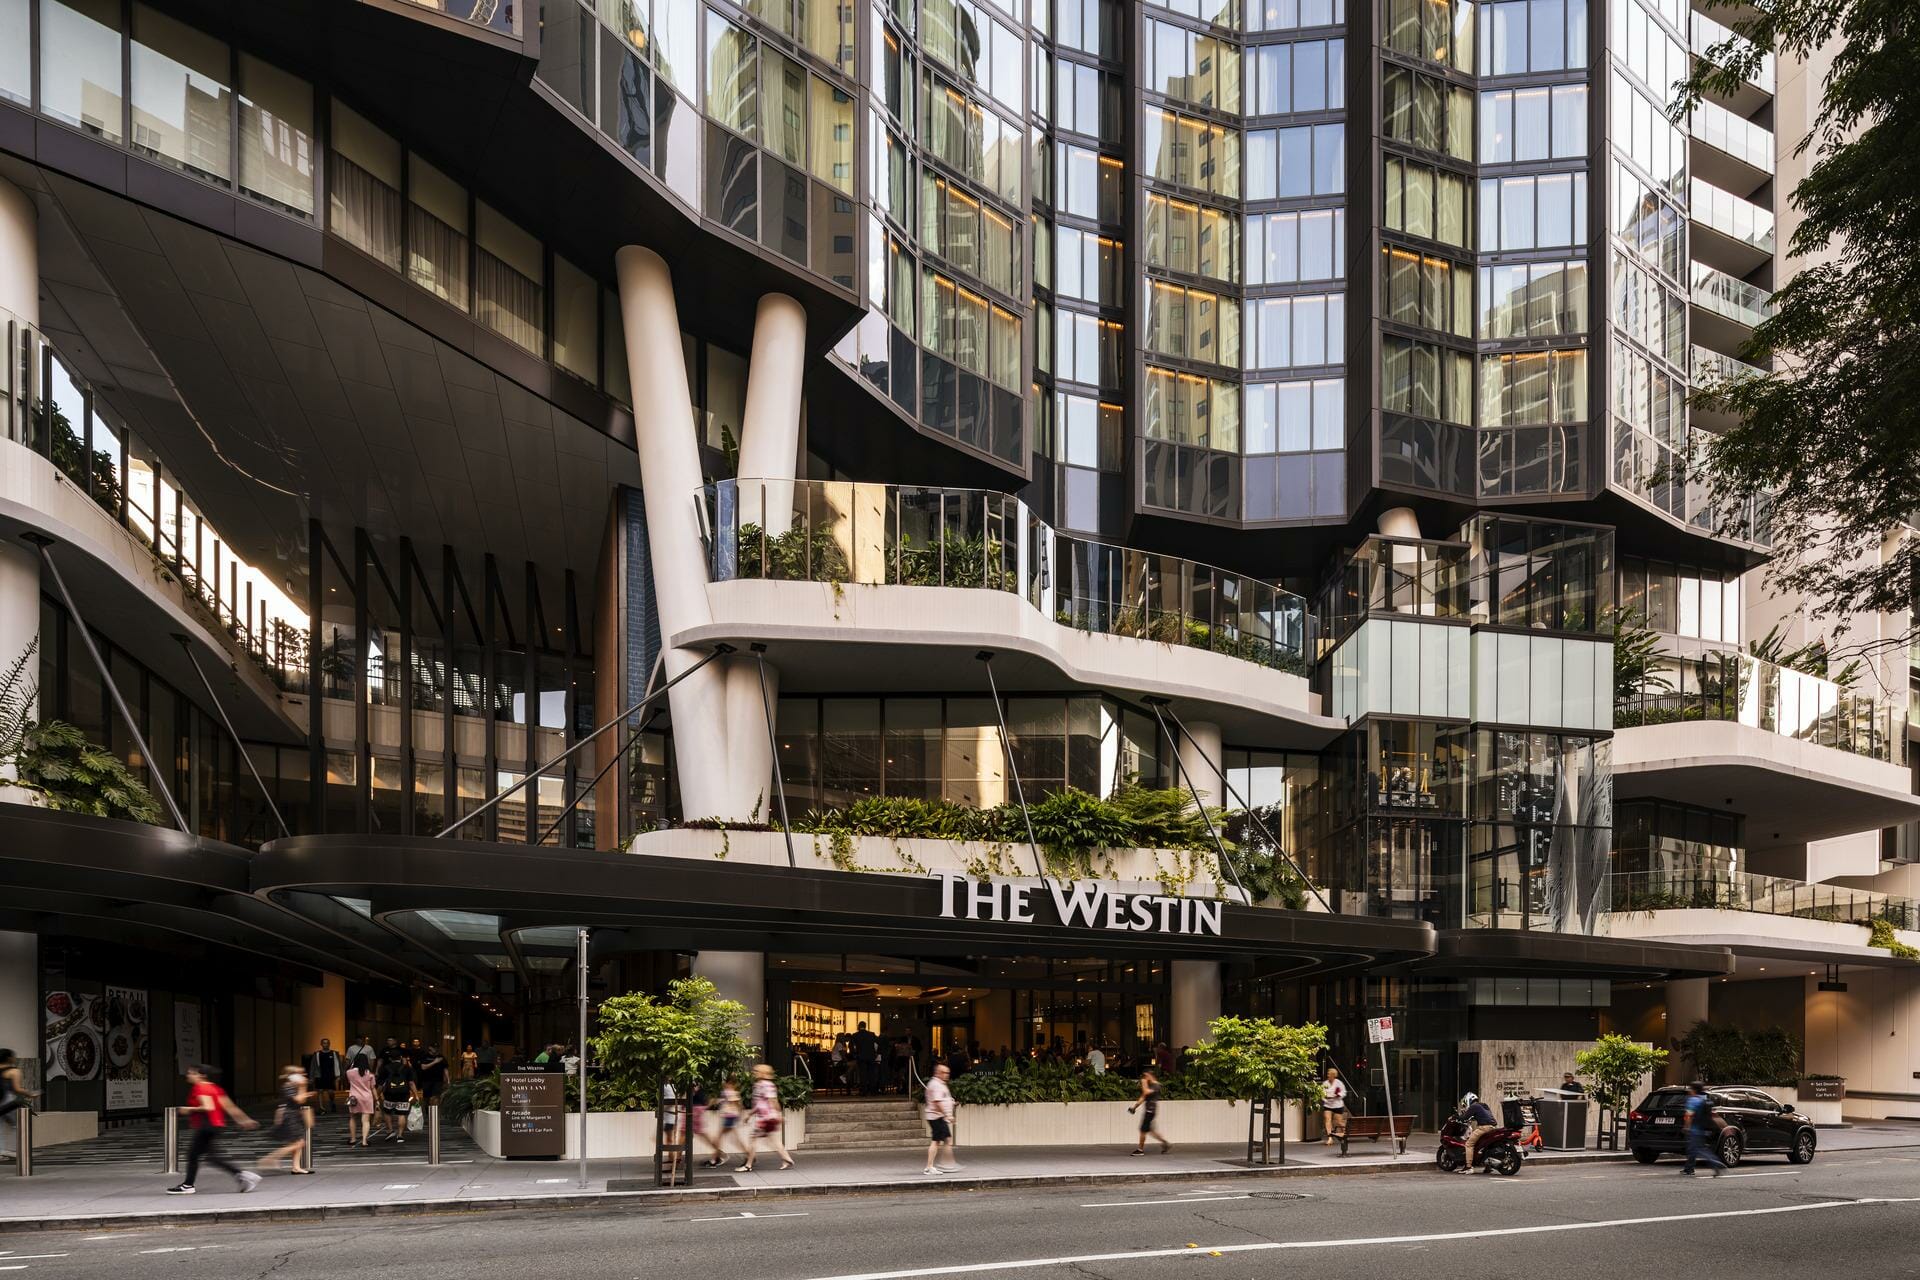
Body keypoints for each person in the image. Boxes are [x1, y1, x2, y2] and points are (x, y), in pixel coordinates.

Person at [166, 1065, 261, 1195]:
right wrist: (244, 1120)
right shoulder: (216, 1088)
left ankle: (188, 1185)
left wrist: (188, 1109)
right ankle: (242, 1176)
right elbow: (230, 1107)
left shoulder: (200, 1087)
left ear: (200, 1075)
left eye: (191, 1073)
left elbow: (208, 1106)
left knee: (194, 1155)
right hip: (215, 1126)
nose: (188, 1075)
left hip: (205, 1125)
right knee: (210, 1157)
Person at [257, 1066, 314, 1175]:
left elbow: (301, 1099)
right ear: (292, 1075)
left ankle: (296, 1167)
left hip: (294, 1115)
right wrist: (303, 1086)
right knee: (299, 1143)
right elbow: (299, 1100)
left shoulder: (293, 1086)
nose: (302, 1076)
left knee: (297, 1142)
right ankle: (269, 1159)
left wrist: (304, 1090)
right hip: (289, 1116)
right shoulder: (288, 1086)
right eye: (300, 1074)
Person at [740, 1064, 794, 1172]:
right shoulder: (763, 1085)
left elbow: (772, 1101)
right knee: (772, 1140)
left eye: (756, 1071)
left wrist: (778, 1115)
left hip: (766, 1118)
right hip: (766, 1118)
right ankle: (786, 1158)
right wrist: (750, 1115)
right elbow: (760, 1104)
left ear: (762, 1073)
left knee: (753, 1139)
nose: (753, 1073)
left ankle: (748, 1165)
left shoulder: (764, 1085)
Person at [1682, 1082, 1727, 1178]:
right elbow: (1714, 1115)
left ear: (1693, 1090)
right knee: (1693, 1149)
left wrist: (1687, 1127)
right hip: (1701, 1130)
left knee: (1699, 1150)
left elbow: (1689, 1114)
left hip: (1694, 1130)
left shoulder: (1692, 1101)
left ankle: (1717, 1164)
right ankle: (1688, 1168)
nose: (1689, 1090)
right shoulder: (1703, 1100)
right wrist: (1723, 1125)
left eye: (1690, 1088)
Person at [0, 1048, 36, 1162]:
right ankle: (16, 1150)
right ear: (10, 1058)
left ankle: (1, 1151)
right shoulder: (14, 1071)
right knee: (18, 1124)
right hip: (8, 1100)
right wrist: (30, 1094)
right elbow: (17, 1089)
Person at [923, 1062, 959, 1174]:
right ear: (938, 1073)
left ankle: (945, 1164)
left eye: (948, 1072)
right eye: (944, 1072)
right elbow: (937, 1102)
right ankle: (931, 1166)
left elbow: (942, 1100)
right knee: (936, 1141)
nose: (947, 1075)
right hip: (936, 1117)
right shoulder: (936, 1085)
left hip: (937, 1116)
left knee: (946, 1139)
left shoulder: (939, 1083)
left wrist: (951, 1103)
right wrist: (948, 1115)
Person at [706, 1077, 748, 1168]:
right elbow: (729, 1102)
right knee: (733, 1139)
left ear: (730, 1083)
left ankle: (714, 1160)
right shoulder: (729, 1092)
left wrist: (741, 1115)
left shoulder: (730, 1091)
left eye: (726, 1082)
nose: (724, 1084)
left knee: (719, 1138)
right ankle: (749, 1155)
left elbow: (737, 1104)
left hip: (730, 1117)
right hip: (730, 1117)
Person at [376, 1050, 417, 1143]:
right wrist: (416, 1094)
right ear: (400, 1058)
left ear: (390, 1058)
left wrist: (377, 1095)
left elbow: (381, 1085)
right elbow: (411, 1083)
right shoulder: (407, 1068)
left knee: (387, 1112)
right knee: (401, 1114)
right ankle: (400, 1135)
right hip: (403, 1093)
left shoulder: (385, 1068)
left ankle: (390, 1130)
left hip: (389, 1094)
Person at [1130, 1067, 1170, 1155]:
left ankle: (1140, 1150)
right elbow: (1143, 1097)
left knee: (1143, 1130)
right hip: (1149, 1110)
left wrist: (1144, 1084)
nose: (1144, 1078)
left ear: (1149, 1075)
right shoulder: (1150, 1084)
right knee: (1151, 1130)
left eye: (1145, 1076)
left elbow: (1146, 1092)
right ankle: (1165, 1143)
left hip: (1151, 1111)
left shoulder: (1156, 1085)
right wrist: (1134, 1107)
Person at [1457, 1092, 1500, 1174]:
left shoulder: (1474, 1106)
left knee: (1469, 1144)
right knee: (1486, 1146)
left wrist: (1459, 1117)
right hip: (1492, 1127)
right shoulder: (1484, 1105)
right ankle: (1488, 1167)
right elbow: (1482, 1115)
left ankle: (1468, 1167)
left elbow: (1464, 1117)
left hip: (1483, 1128)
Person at [345, 1053, 377, 1147]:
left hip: (354, 1098)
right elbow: (373, 1088)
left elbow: (349, 1081)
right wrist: (377, 1099)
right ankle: (364, 1141)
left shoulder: (349, 1072)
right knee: (366, 1120)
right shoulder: (370, 1074)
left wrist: (352, 1064)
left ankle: (353, 1139)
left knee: (353, 1118)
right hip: (367, 1098)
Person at [305, 1039, 344, 1114]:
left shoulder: (334, 1053)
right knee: (320, 1091)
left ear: (329, 1044)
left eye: (327, 1043)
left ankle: (332, 1102)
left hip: (330, 1075)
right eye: (324, 1043)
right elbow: (313, 1066)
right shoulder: (317, 1054)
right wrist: (311, 1077)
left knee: (331, 1092)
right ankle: (321, 1107)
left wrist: (340, 1075)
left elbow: (339, 1065)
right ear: (321, 1044)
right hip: (319, 1075)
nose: (325, 1044)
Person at [1320, 1067, 1348, 1146]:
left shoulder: (1339, 1083)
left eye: (1329, 1074)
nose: (1328, 1075)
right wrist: (1325, 1098)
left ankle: (1345, 1134)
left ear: (1333, 1075)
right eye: (1328, 1074)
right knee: (1327, 1120)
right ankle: (1330, 1138)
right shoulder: (1325, 1083)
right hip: (1328, 1104)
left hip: (1337, 1104)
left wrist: (1338, 1095)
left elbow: (1344, 1092)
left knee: (1339, 1122)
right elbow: (1322, 1093)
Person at [851, 1021, 880, 1096]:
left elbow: (851, 1047)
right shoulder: (871, 1034)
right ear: (865, 1026)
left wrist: (855, 1054)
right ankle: (872, 1091)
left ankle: (864, 1091)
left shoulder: (855, 1035)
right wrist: (876, 1053)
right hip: (871, 1056)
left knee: (863, 1074)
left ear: (858, 1026)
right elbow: (878, 1042)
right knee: (871, 1074)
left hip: (861, 1057)